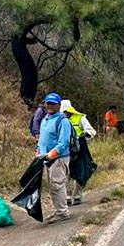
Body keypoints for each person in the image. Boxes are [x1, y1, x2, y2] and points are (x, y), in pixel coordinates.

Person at [37, 93, 73, 223]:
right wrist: (38, 151)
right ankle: (59, 210)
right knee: (53, 186)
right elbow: (42, 139)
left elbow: (63, 143)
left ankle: (63, 212)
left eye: (53, 104)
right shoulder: (45, 119)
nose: (50, 106)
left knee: (57, 185)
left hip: (58, 159)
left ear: (59, 105)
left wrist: (51, 154)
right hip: (47, 158)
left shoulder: (63, 121)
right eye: (48, 103)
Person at [60, 100, 97, 206]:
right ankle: (66, 197)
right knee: (66, 173)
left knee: (80, 172)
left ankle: (77, 196)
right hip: (65, 149)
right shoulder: (60, 120)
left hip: (80, 149)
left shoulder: (80, 118)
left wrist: (85, 134)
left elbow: (91, 131)